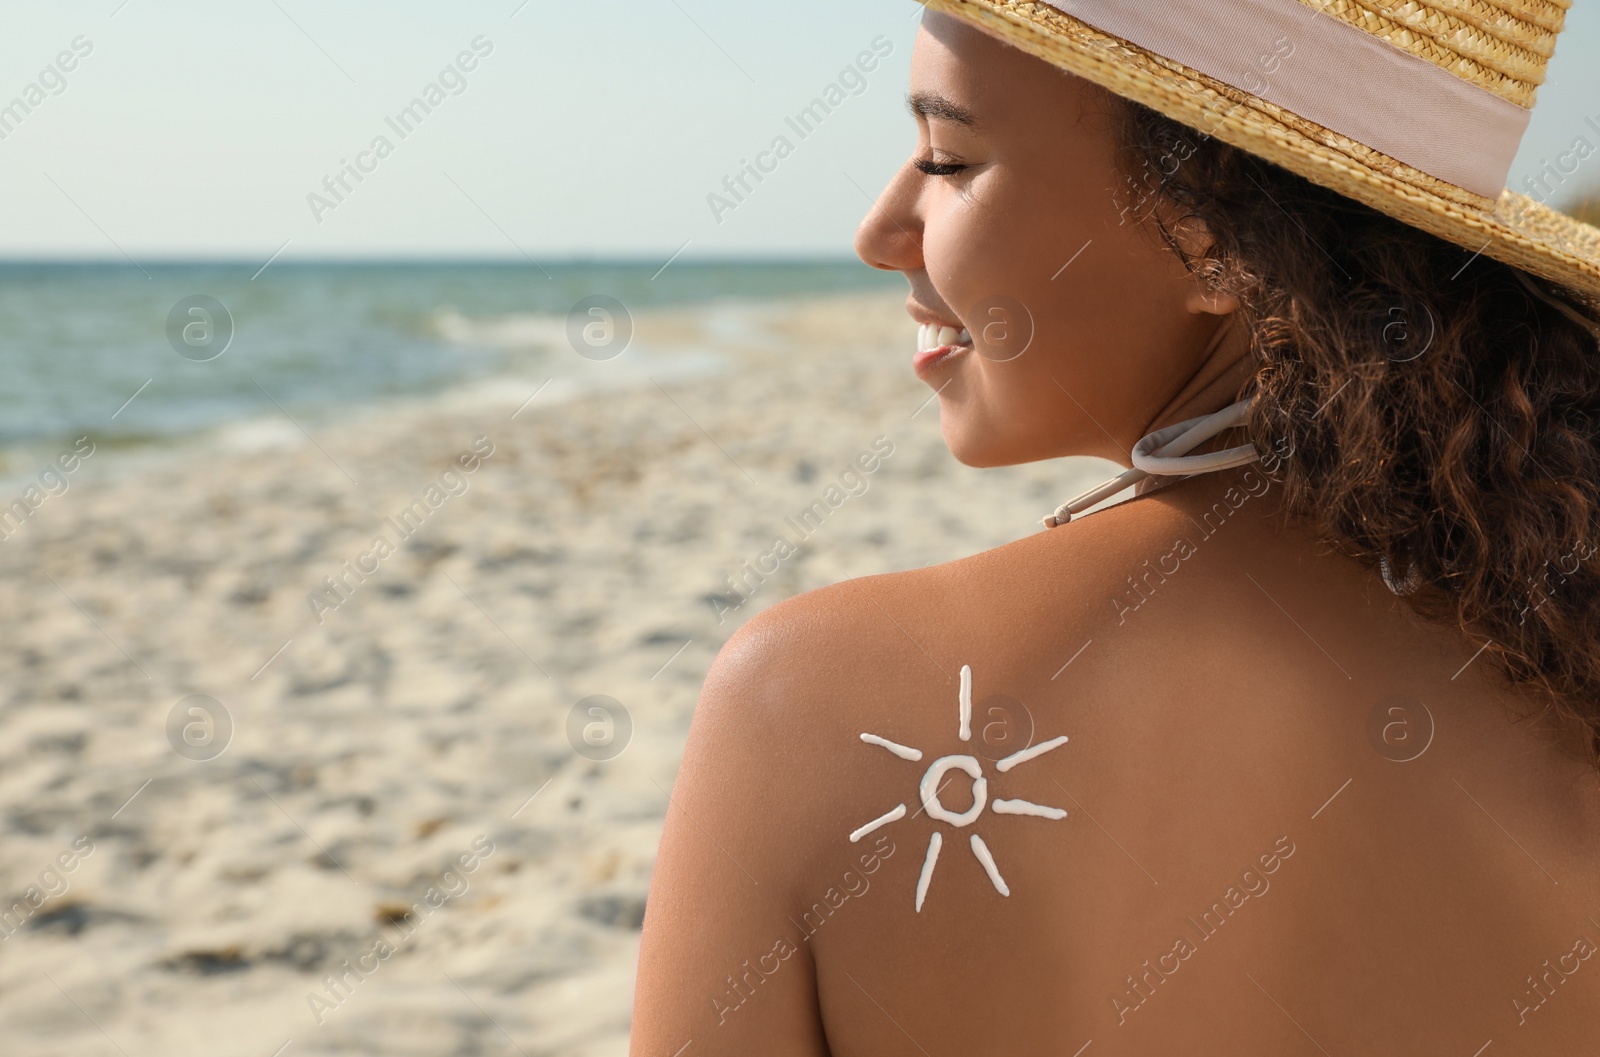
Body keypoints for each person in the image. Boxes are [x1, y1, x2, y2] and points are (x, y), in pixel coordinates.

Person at [633, 1, 1600, 1052]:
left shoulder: (801, 705)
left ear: (1208, 235)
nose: (878, 232)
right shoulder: (1557, 650)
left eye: (948, 161)